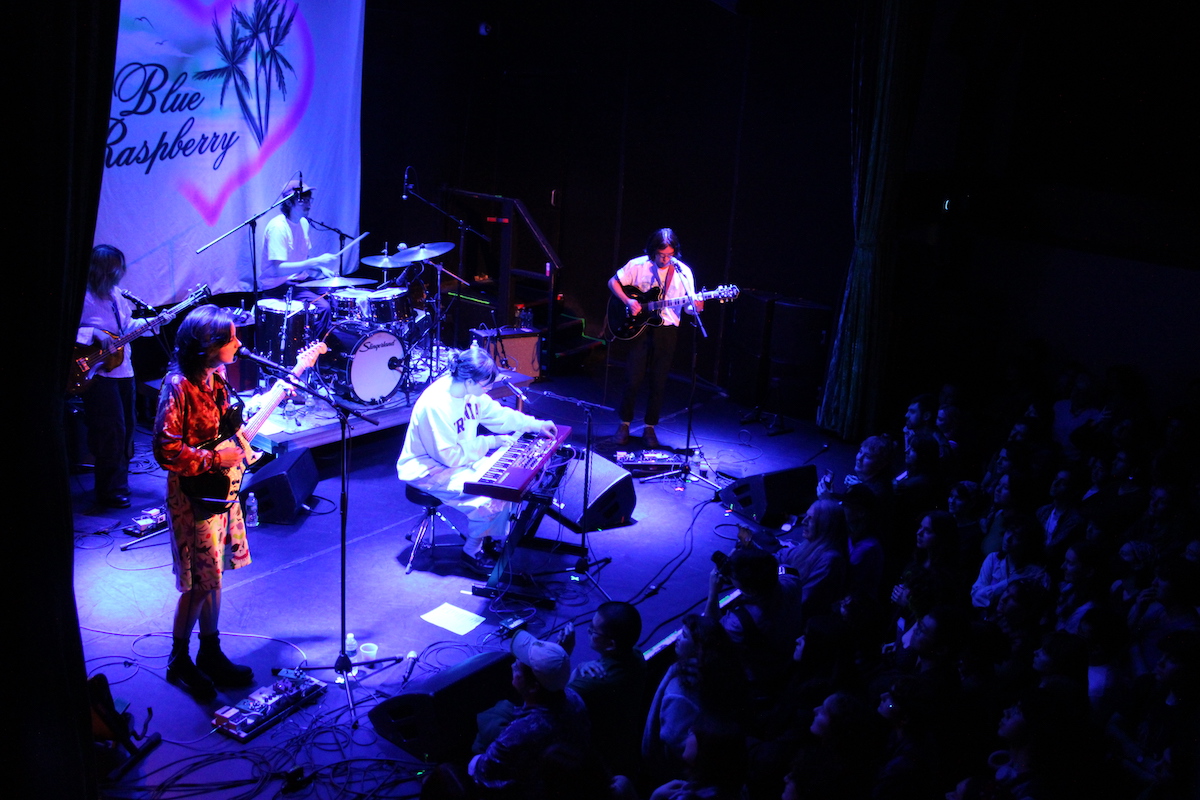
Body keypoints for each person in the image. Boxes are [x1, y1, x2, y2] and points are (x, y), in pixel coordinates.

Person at [152, 305, 255, 701]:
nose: (239, 343)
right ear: (209, 346)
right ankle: (178, 660)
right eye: (231, 337)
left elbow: (227, 428)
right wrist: (214, 459)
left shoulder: (218, 377)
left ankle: (210, 651)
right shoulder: (178, 385)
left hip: (220, 490)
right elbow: (166, 451)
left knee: (215, 575)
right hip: (193, 495)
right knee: (198, 582)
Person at [396, 345, 557, 576]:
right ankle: (471, 553)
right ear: (470, 380)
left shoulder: (470, 391)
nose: (488, 389)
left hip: (461, 459)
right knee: (488, 496)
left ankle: (487, 537)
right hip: (429, 470)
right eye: (485, 385)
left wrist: (535, 425)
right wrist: (490, 442)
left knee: (506, 484)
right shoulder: (435, 404)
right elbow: (449, 457)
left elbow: (499, 415)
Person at [609, 227, 703, 449]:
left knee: (659, 381)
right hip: (640, 329)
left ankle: (650, 427)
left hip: (667, 330)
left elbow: (689, 308)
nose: (665, 259)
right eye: (661, 254)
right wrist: (628, 301)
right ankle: (624, 423)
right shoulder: (638, 265)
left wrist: (697, 307)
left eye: (669, 255)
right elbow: (613, 282)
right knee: (633, 378)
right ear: (653, 251)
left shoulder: (684, 273)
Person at [76, 244, 154, 508]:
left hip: (123, 370)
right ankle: (109, 490)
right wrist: (93, 333)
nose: (119, 273)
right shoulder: (82, 297)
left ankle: (119, 484)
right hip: (97, 373)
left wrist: (153, 323)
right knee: (111, 431)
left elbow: (126, 328)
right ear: (101, 270)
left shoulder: (117, 295)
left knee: (128, 428)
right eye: (114, 269)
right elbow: (69, 330)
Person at [469, 631, 590, 798]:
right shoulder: (574, 698)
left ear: (534, 687)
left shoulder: (518, 733)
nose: (512, 666)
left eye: (518, 666)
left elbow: (482, 772)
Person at [261, 179, 339, 337]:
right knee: (323, 307)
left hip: (299, 281)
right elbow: (278, 269)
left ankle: (329, 339)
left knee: (335, 294)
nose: (308, 204)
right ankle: (316, 347)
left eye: (309, 199)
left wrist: (319, 268)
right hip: (278, 285)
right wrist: (316, 261)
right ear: (289, 202)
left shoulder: (303, 223)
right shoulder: (278, 227)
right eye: (303, 200)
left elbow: (300, 259)